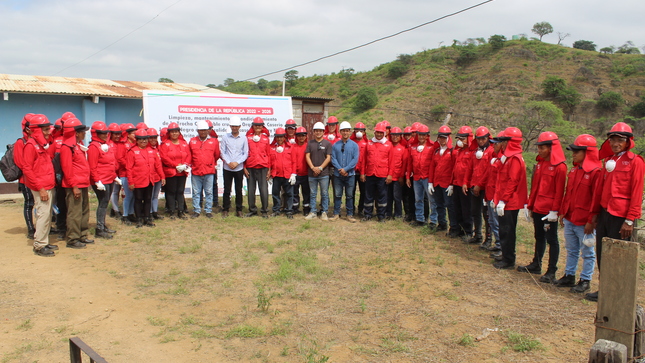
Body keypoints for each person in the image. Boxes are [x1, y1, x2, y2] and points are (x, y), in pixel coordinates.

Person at [586, 122, 645, 302]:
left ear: (628, 142)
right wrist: (594, 214)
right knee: (602, 251)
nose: (616, 143)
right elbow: (600, 190)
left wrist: (629, 220)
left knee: (617, 254)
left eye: (620, 140)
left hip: (620, 215)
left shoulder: (635, 162)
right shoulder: (608, 161)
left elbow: (636, 191)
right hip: (605, 212)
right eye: (613, 140)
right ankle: (605, 289)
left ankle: (617, 293)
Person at [553, 134, 601, 294]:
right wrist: (563, 213)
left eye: (576, 151)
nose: (573, 154)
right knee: (571, 249)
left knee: (587, 251)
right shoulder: (574, 170)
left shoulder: (595, 172)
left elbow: (595, 199)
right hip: (570, 217)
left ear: (587, 152)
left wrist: (591, 221)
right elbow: (568, 194)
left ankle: (586, 279)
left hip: (584, 221)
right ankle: (569, 275)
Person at [517, 132, 567, 283]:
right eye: (539, 147)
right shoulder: (540, 164)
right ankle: (536, 263)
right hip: (538, 206)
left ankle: (551, 270)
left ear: (551, 148)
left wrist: (555, 210)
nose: (539, 150)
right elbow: (535, 187)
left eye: (542, 148)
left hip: (549, 210)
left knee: (552, 239)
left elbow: (559, 191)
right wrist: (530, 205)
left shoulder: (560, 167)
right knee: (539, 236)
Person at [492, 127, 528, 270]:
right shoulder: (508, 158)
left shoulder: (515, 159)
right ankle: (505, 255)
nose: (503, 144)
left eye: (505, 141)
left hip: (510, 202)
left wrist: (504, 200)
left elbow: (512, 181)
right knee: (503, 229)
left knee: (507, 230)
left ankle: (508, 259)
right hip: (505, 200)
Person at [21, 115, 56, 256]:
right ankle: (39, 245)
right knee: (43, 215)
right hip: (41, 187)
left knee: (47, 215)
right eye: (46, 129)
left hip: (47, 185)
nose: (48, 132)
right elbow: (27, 169)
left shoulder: (41, 144)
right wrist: (40, 188)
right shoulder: (31, 145)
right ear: (36, 130)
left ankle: (44, 241)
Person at [60, 118, 93, 249]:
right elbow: (67, 169)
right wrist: (74, 186)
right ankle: (73, 239)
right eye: (82, 132)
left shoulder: (77, 146)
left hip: (83, 184)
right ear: (76, 133)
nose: (85, 134)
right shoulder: (67, 148)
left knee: (84, 210)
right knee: (75, 213)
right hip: (74, 185)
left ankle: (82, 235)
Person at [127, 129, 165, 227]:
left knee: (148, 199)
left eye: (145, 139)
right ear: (137, 140)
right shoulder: (132, 152)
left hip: (149, 180)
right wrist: (130, 182)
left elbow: (158, 165)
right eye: (141, 139)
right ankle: (139, 219)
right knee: (138, 199)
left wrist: (162, 176)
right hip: (138, 181)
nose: (143, 141)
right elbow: (129, 168)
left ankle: (147, 218)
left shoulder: (152, 151)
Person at [87, 121, 117, 239]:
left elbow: (110, 162)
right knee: (103, 203)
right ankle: (99, 229)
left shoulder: (105, 145)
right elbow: (92, 166)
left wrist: (114, 176)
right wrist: (96, 180)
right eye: (102, 133)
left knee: (105, 202)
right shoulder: (94, 147)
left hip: (109, 178)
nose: (105, 135)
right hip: (101, 180)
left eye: (106, 133)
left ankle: (102, 226)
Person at [360, 122, 393, 222]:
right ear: (374, 132)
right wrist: (362, 173)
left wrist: (390, 175)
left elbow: (391, 161)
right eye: (377, 132)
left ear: (384, 133)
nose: (379, 134)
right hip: (370, 174)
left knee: (382, 196)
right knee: (368, 195)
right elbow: (364, 160)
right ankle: (367, 214)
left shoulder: (388, 145)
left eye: (381, 132)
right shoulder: (369, 144)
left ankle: (381, 215)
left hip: (382, 174)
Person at [159, 122, 191, 220]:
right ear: (169, 133)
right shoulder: (165, 144)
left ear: (179, 132)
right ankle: (172, 211)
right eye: (172, 132)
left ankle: (181, 212)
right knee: (171, 192)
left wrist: (185, 164)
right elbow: (164, 157)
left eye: (176, 132)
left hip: (182, 172)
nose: (174, 134)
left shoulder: (184, 143)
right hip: (171, 172)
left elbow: (189, 155)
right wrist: (176, 165)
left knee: (180, 191)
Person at [189, 120, 220, 218]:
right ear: (197, 131)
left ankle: (208, 210)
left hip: (209, 171)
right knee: (196, 192)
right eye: (200, 130)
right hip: (196, 171)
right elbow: (189, 155)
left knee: (209, 192)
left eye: (204, 130)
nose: (202, 132)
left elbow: (216, 155)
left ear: (208, 131)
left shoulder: (214, 141)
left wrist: (209, 163)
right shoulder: (192, 141)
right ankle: (196, 210)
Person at [429, 126, 456, 234]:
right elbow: (432, 167)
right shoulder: (436, 151)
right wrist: (430, 182)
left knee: (449, 205)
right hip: (437, 183)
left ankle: (453, 227)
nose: (442, 140)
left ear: (448, 138)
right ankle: (442, 223)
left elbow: (454, 168)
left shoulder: (452, 151)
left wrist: (451, 184)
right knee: (439, 204)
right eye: (440, 138)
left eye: (444, 138)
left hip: (447, 184)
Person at [469, 126, 494, 246]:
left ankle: (488, 239)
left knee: (486, 214)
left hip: (485, 188)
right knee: (474, 212)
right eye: (479, 139)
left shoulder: (491, 152)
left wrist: (480, 185)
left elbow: (488, 172)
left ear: (488, 138)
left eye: (483, 139)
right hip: (474, 186)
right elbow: (471, 169)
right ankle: (477, 235)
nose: (481, 141)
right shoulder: (475, 152)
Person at [220, 116, 249, 218]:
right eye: (233, 126)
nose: (234, 128)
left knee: (239, 189)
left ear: (240, 126)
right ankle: (225, 209)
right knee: (227, 189)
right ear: (230, 126)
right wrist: (229, 162)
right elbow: (222, 152)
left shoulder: (244, 138)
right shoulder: (225, 137)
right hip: (227, 168)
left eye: (236, 126)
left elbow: (245, 153)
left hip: (239, 168)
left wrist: (237, 162)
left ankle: (239, 209)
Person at [330, 121, 359, 222]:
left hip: (350, 174)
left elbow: (355, 160)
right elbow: (333, 159)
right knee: (337, 195)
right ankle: (336, 213)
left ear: (350, 132)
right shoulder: (335, 145)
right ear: (340, 132)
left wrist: (346, 169)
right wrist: (340, 170)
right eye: (343, 131)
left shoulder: (355, 146)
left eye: (347, 131)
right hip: (338, 175)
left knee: (349, 195)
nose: (345, 133)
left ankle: (350, 214)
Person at [407, 124, 434, 226]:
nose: (422, 137)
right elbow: (410, 163)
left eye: (424, 135)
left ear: (427, 136)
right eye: (420, 135)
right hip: (416, 177)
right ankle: (420, 219)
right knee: (418, 199)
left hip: (427, 177)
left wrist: (432, 179)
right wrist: (408, 177)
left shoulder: (432, 147)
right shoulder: (413, 147)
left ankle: (433, 220)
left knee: (432, 200)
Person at [14, 113, 35, 239]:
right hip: (26, 179)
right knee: (29, 203)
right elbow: (20, 162)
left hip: (37, 179)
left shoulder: (37, 142)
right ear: (26, 128)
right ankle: (31, 229)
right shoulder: (20, 142)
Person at [244, 117, 271, 218]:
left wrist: (269, 169)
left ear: (262, 127)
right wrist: (244, 167)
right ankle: (252, 210)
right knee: (251, 190)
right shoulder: (247, 138)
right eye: (256, 125)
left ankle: (264, 210)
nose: (258, 127)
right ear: (253, 126)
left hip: (263, 167)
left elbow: (269, 154)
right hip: (250, 167)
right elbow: (245, 153)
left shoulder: (265, 138)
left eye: (260, 125)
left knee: (263, 189)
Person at [305, 122, 332, 220]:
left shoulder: (327, 143)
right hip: (312, 174)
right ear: (314, 132)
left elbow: (328, 158)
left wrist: (320, 168)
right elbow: (307, 156)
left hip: (324, 173)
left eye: (320, 131)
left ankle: (324, 212)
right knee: (313, 193)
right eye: (316, 131)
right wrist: (313, 167)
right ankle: (313, 212)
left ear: (323, 132)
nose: (318, 133)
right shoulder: (310, 143)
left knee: (324, 193)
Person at [451, 126, 474, 239]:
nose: (460, 141)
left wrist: (467, 183)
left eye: (462, 138)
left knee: (467, 209)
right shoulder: (459, 151)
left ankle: (468, 231)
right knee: (457, 208)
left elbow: (471, 170)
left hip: (466, 185)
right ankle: (459, 229)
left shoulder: (472, 152)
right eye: (459, 139)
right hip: (456, 183)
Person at [269, 128, 296, 218]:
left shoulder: (290, 147)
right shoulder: (271, 148)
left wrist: (293, 174)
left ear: (284, 137)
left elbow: (294, 162)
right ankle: (276, 210)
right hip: (276, 174)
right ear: (275, 138)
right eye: (277, 137)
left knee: (289, 193)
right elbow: (269, 162)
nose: (279, 139)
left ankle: (289, 210)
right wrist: (269, 173)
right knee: (275, 193)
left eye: (281, 137)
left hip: (287, 174)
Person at [485, 132, 504, 258]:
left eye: (496, 144)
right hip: (490, 194)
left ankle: (502, 247)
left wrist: (497, 198)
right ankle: (498, 244)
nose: (494, 146)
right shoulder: (495, 157)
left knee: (497, 222)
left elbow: (501, 181)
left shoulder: (503, 159)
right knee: (492, 221)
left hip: (496, 196)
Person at [116, 123, 137, 224]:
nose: (135, 135)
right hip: (125, 174)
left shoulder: (135, 144)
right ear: (128, 134)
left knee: (133, 195)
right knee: (127, 196)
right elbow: (120, 159)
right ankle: (125, 215)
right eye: (133, 133)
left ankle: (131, 213)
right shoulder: (122, 144)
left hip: (134, 174)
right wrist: (130, 166)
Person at [386, 127, 408, 220]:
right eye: (393, 135)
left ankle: (398, 214)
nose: (395, 137)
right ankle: (388, 213)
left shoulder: (403, 149)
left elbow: (404, 164)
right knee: (388, 196)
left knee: (397, 196)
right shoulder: (388, 146)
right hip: (388, 176)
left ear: (400, 137)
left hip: (398, 176)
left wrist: (401, 176)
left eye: (397, 135)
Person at [350, 122, 368, 217]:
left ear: (364, 132)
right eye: (357, 130)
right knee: (351, 192)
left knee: (363, 192)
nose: (359, 132)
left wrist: (363, 172)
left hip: (362, 173)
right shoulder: (351, 143)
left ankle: (361, 209)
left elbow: (366, 159)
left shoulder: (367, 144)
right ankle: (351, 209)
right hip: (352, 172)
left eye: (361, 130)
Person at [147, 128, 165, 220]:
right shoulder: (146, 149)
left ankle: (155, 212)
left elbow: (159, 165)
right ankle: (149, 212)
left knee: (155, 196)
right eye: (151, 138)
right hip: (150, 177)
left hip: (157, 177)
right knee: (149, 196)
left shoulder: (158, 148)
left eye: (155, 137)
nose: (153, 139)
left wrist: (162, 176)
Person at [107, 123, 123, 220]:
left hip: (121, 171)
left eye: (119, 134)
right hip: (112, 172)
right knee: (114, 191)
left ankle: (114, 209)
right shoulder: (107, 145)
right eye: (115, 134)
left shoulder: (121, 143)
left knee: (118, 191)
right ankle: (116, 210)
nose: (117, 136)